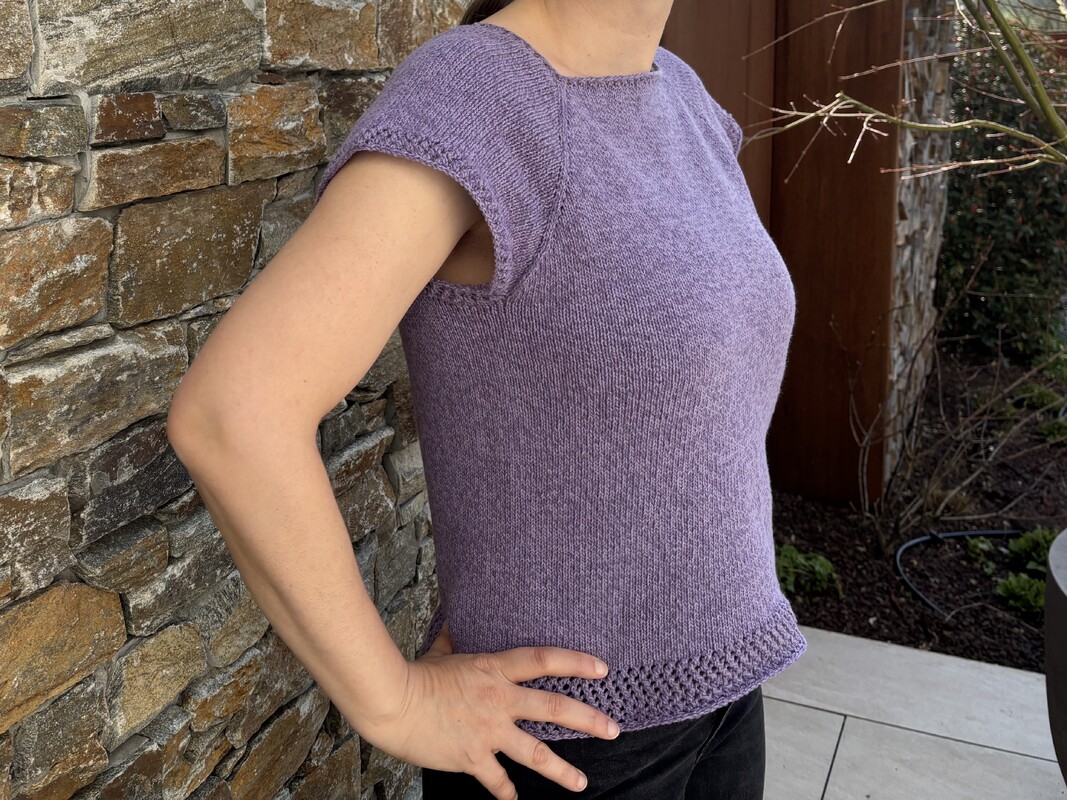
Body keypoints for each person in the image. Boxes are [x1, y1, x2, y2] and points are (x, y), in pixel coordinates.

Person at [166, 0, 808, 798]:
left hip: (725, 695)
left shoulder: (679, 95)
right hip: (570, 748)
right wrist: (395, 702)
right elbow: (233, 415)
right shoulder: (475, 96)